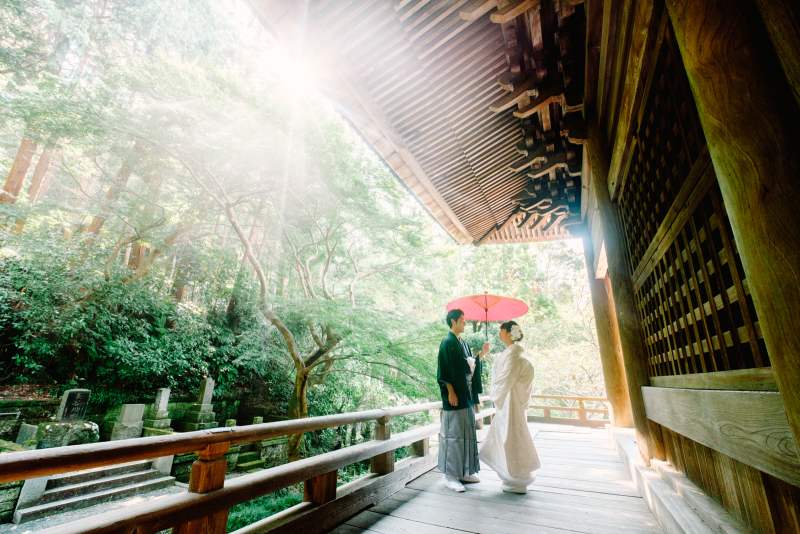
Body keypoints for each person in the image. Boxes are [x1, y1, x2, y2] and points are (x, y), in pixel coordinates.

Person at [478, 321, 540, 494]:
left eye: (501, 330)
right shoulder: (511, 353)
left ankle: (517, 478)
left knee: (512, 438)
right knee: (509, 437)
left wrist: (493, 392)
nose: (499, 333)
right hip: (507, 402)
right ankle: (511, 477)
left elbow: (506, 379)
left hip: (510, 403)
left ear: (508, 333)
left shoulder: (513, 354)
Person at [437, 308, 490, 492]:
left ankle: (465, 471)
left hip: (466, 394)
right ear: (453, 321)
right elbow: (443, 371)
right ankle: (450, 476)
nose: (465, 323)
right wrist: (450, 391)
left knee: (467, 434)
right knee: (453, 435)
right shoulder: (447, 342)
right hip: (454, 396)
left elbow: (470, 364)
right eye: (462, 320)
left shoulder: (463, 343)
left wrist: (482, 353)